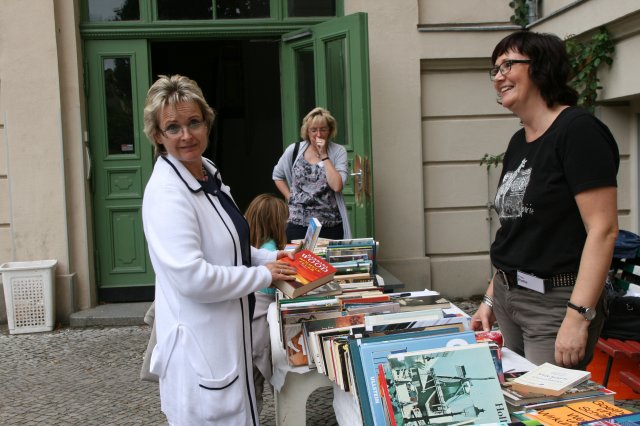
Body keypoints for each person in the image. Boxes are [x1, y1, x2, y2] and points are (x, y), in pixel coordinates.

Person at [141, 74, 296, 425]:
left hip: (228, 344)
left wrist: (273, 257)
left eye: (194, 122)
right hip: (201, 352)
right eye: (173, 127)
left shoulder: (207, 173)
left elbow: (230, 245)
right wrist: (262, 275)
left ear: (207, 123)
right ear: (157, 135)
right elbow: (192, 278)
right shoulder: (167, 194)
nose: (186, 135)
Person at [471, 31, 619, 370]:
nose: (498, 77)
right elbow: (516, 232)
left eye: (508, 65)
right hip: (508, 296)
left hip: (555, 302)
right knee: (514, 395)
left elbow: (603, 230)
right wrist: (491, 298)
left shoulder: (578, 131)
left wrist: (578, 316)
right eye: (495, 69)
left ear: (541, 67)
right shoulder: (519, 141)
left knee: (544, 402)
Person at [273, 107, 351, 241]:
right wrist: (290, 197)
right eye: (313, 130)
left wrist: (324, 155)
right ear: (307, 132)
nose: (318, 135)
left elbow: (337, 186)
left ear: (330, 130)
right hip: (298, 223)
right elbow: (277, 176)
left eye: (323, 129)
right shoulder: (294, 150)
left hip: (330, 225)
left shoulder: (338, 151)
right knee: (299, 255)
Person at [244, 193, 289, 414]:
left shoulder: (248, 245)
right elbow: (276, 285)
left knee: (250, 384)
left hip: (247, 322)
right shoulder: (270, 250)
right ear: (276, 224)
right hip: (261, 324)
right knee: (263, 377)